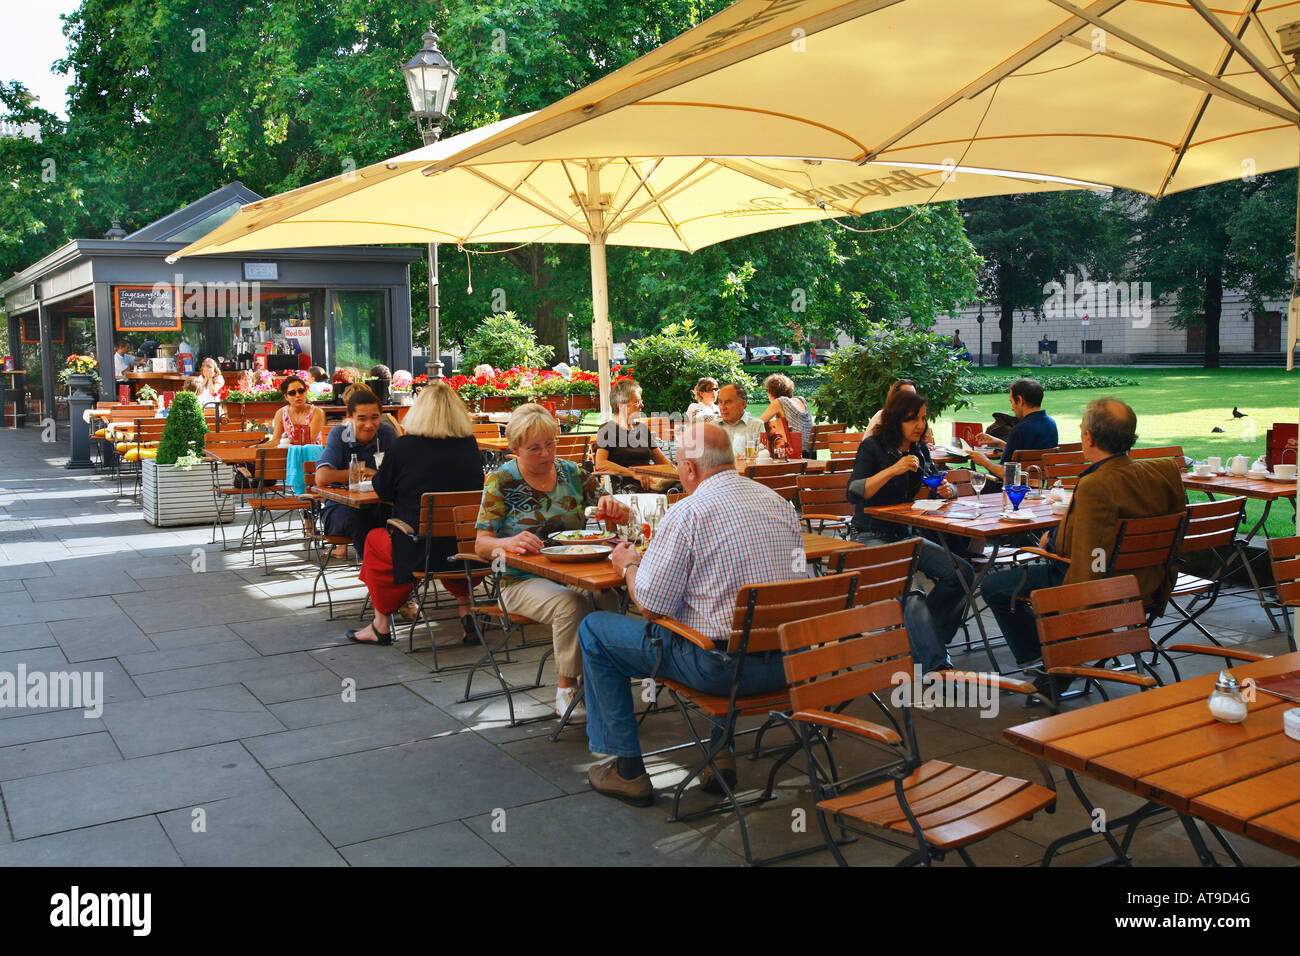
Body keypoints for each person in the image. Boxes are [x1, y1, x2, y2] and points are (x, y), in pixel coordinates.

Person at [580, 423, 804, 806]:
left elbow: (651, 605)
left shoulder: (687, 514)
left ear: (688, 470)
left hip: (721, 672)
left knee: (595, 629)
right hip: (790, 664)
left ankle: (628, 771)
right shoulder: (780, 505)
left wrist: (628, 565)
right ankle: (720, 754)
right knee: (726, 621)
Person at [979, 399, 1186, 688]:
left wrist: (1072, 626)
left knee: (994, 586)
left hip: (1101, 582)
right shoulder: (1161, 474)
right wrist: (1058, 538)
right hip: (1149, 580)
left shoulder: (1096, 484)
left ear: (1088, 437)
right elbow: (1107, 537)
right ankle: (1050, 658)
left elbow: (1093, 559)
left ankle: (1047, 662)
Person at [475, 404, 630, 719]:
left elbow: (610, 510)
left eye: (550, 444)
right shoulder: (501, 481)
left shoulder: (571, 473)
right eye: (534, 448)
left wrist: (611, 506)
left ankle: (599, 681)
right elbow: (481, 545)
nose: (546, 454)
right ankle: (566, 690)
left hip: (571, 573)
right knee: (571, 604)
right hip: (519, 580)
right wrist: (508, 542)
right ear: (515, 448)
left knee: (608, 599)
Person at [349, 383, 485, 646]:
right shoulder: (469, 445)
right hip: (468, 550)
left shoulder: (404, 447)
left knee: (374, 541)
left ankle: (381, 625)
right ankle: (466, 609)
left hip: (417, 550)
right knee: (448, 537)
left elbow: (382, 489)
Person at [847, 390, 972, 673]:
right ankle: (935, 664)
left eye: (924, 418)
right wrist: (893, 469)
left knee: (961, 574)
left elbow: (938, 482)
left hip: (906, 535)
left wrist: (946, 490)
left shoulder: (919, 450)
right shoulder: (873, 448)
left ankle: (925, 640)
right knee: (911, 592)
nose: (920, 425)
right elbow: (854, 491)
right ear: (896, 419)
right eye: (913, 419)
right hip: (870, 536)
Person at [314, 387, 399, 561]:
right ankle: (378, 577)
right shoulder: (339, 434)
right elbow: (322, 477)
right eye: (362, 418)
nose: (369, 424)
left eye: (374, 417)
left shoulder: (387, 434)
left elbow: (399, 472)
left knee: (400, 518)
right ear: (350, 416)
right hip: (340, 509)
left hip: (379, 504)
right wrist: (364, 471)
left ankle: (397, 572)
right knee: (361, 521)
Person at [594, 378, 677, 493]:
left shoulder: (642, 429)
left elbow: (662, 460)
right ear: (621, 405)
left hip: (651, 483)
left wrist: (680, 470)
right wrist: (633, 473)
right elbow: (600, 463)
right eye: (637, 402)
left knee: (683, 486)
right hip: (627, 487)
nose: (642, 405)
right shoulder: (607, 430)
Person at [969, 378, 1059, 481]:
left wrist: (984, 461)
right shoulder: (1051, 424)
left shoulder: (1020, 430)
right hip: (1040, 487)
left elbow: (1006, 473)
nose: (1012, 408)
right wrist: (999, 443)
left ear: (1020, 400)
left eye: (1012, 402)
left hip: (1016, 490)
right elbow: (1027, 454)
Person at [262, 375, 324, 447]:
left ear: (305, 393)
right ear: (286, 397)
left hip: (311, 455)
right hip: (288, 455)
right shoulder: (281, 413)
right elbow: (276, 441)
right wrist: (255, 447)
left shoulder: (317, 412)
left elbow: (309, 440)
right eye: (292, 393)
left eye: (301, 391)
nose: (297, 395)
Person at [759, 372, 811, 457]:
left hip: (792, 453)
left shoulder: (780, 402)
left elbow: (758, 423)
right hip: (810, 453)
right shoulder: (801, 400)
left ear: (771, 392)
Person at [715, 383, 765, 457]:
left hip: (745, 467)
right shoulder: (712, 426)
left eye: (728, 402)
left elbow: (762, 456)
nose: (722, 407)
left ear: (743, 404)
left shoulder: (756, 425)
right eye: (720, 402)